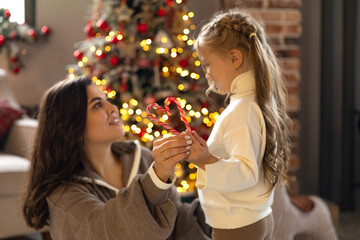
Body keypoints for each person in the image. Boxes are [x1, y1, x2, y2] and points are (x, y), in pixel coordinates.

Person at [22, 76, 211, 240]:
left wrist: (218, 183)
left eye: (107, 100)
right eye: (97, 105)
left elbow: (180, 223)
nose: (113, 107)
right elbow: (107, 232)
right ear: (70, 125)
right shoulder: (62, 194)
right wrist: (156, 179)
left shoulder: (143, 158)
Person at [182, 8, 292, 240]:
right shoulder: (250, 102)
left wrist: (206, 160)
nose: (207, 74)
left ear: (234, 58)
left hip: (238, 227)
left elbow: (245, 171)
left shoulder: (242, 111)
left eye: (208, 64)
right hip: (248, 221)